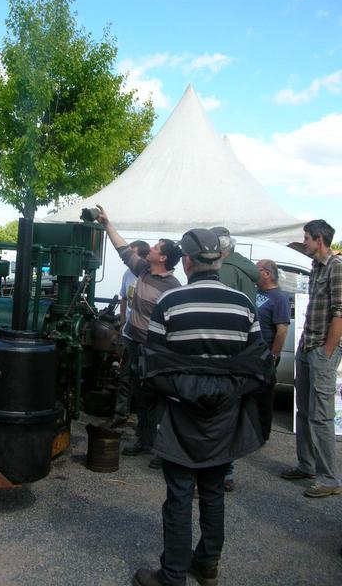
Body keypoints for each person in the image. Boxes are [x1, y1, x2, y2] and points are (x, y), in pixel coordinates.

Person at [132, 228, 272, 586]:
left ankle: (173, 574)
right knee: (212, 492)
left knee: (179, 494)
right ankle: (207, 564)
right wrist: (226, 389)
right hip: (225, 414)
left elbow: (154, 364)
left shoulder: (170, 303)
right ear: (220, 259)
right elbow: (257, 362)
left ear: (189, 262)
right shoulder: (244, 305)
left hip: (181, 413)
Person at [95, 205, 181, 466]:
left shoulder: (172, 288)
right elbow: (122, 249)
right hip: (133, 342)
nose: (151, 249)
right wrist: (107, 224)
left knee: (154, 398)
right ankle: (145, 441)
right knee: (136, 391)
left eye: (156, 247)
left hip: (152, 349)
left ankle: (159, 448)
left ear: (163, 258)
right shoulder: (143, 269)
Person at [280, 219, 342, 498]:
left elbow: (340, 313)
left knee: (320, 417)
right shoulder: (317, 266)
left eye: (306, 237)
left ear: (319, 239)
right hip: (309, 346)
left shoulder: (336, 267)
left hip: (320, 350)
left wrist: (327, 351)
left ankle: (329, 479)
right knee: (303, 411)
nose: (303, 241)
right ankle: (306, 465)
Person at [211, 226, 260, 491]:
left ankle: (216, 472)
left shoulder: (225, 271)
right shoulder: (245, 267)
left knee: (215, 412)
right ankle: (227, 471)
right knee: (231, 410)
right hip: (242, 349)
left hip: (223, 351)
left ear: (219, 248)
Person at [109, 240, 150, 428]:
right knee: (124, 376)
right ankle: (120, 415)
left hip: (146, 339)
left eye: (132, 255)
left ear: (142, 257)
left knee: (144, 380)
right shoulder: (127, 274)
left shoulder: (150, 277)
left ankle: (142, 421)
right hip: (128, 335)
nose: (128, 260)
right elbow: (124, 297)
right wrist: (122, 322)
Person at [255, 259, 291, 439]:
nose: (253, 272)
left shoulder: (279, 298)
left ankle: (262, 434)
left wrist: (273, 355)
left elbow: (282, 331)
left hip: (265, 355)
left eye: (257, 269)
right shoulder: (255, 291)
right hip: (251, 354)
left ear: (267, 274)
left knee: (264, 395)